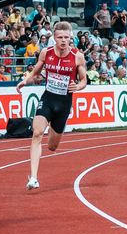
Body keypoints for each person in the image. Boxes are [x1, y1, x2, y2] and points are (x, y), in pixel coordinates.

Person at [21, 20, 87, 190]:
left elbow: (84, 80)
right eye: (60, 37)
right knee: (36, 133)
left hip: (64, 104)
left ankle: (54, 129)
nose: (63, 40)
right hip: (48, 99)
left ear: (70, 37)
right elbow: (35, 71)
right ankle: (33, 178)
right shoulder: (46, 52)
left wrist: (77, 86)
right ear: (54, 38)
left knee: (52, 146)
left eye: (66, 37)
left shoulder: (77, 56)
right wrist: (25, 81)